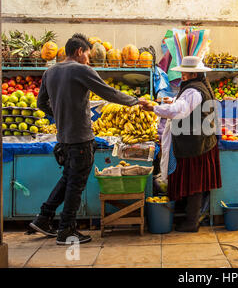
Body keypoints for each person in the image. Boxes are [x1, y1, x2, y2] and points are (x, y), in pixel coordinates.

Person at [30, 33, 150, 245]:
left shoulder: (49, 72)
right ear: (79, 52)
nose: (89, 58)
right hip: (80, 139)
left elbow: (41, 104)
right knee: (76, 185)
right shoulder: (81, 69)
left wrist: (59, 114)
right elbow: (107, 93)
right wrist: (135, 101)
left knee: (68, 178)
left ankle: (43, 217)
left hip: (63, 139)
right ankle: (66, 230)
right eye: (87, 54)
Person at [141, 56, 222, 232]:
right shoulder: (199, 86)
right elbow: (183, 105)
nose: (182, 74)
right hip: (200, 142)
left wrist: (154, 107)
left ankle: (191, 222)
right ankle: (189, 218)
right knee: (195, 183)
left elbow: (179, 110)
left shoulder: (194, 91)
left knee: (194, 184)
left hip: (194, 145)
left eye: (185, 72)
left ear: (194, 73)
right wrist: (171, 102)